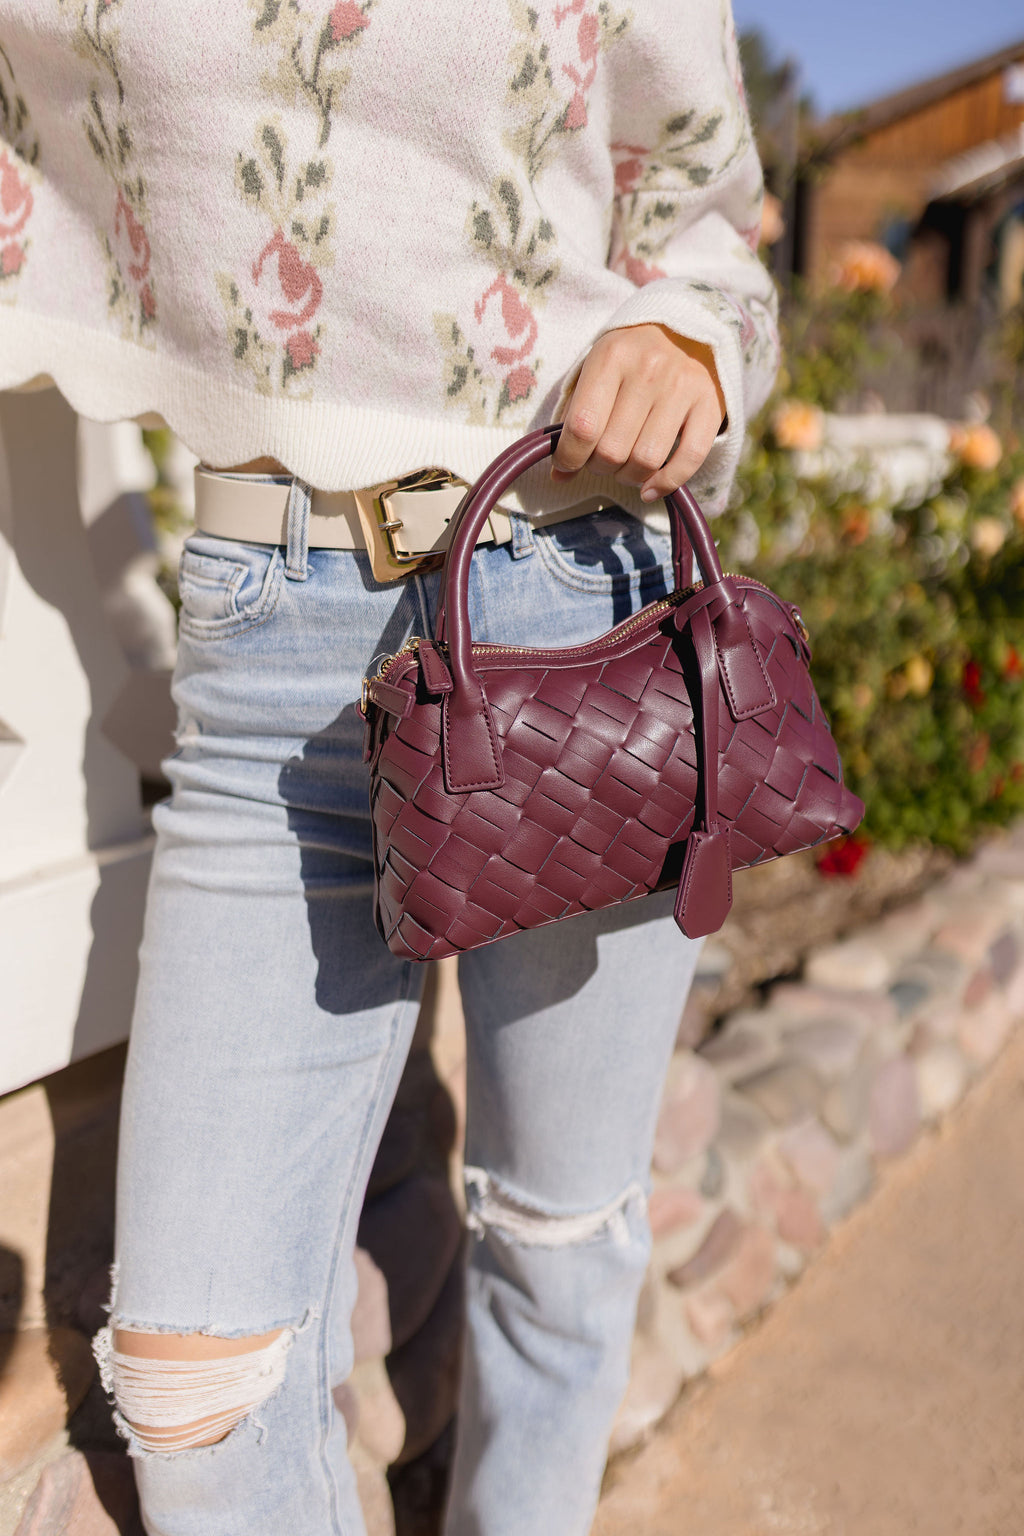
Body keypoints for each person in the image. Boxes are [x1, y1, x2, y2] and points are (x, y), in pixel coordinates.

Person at [0, 2, 778, 1531]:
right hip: (270, 646)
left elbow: (709, 234)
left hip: (578, 606)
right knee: (193, 1379)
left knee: (559, 1234)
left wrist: (690, 338)